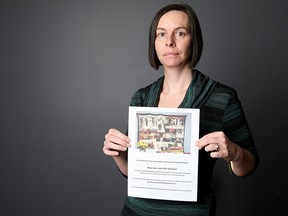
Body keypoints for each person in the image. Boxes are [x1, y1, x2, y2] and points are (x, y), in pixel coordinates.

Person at [103, 3, 259, 216]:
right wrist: (119, 155)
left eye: (180, 33)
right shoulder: (141, 97)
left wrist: (235, 152)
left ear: (194, 39)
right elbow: (136, 174)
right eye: (161, 34)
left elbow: (249, 165)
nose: (169, 42)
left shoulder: (222, 96)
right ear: (154, 43)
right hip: (136, 212)